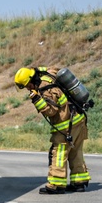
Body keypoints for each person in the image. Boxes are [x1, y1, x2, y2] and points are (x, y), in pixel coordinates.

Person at [14, 66, 90, 194]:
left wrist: (36, 99)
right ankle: (79, 182)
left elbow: (51, 111)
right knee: (75, 151)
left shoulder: (46, 89)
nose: (28, 88)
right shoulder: (47, 75)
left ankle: (56, 184)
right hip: (78, 119)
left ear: (32, 80)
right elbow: (54, 68)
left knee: (59, 153)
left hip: (66, 125)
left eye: (28, 85)